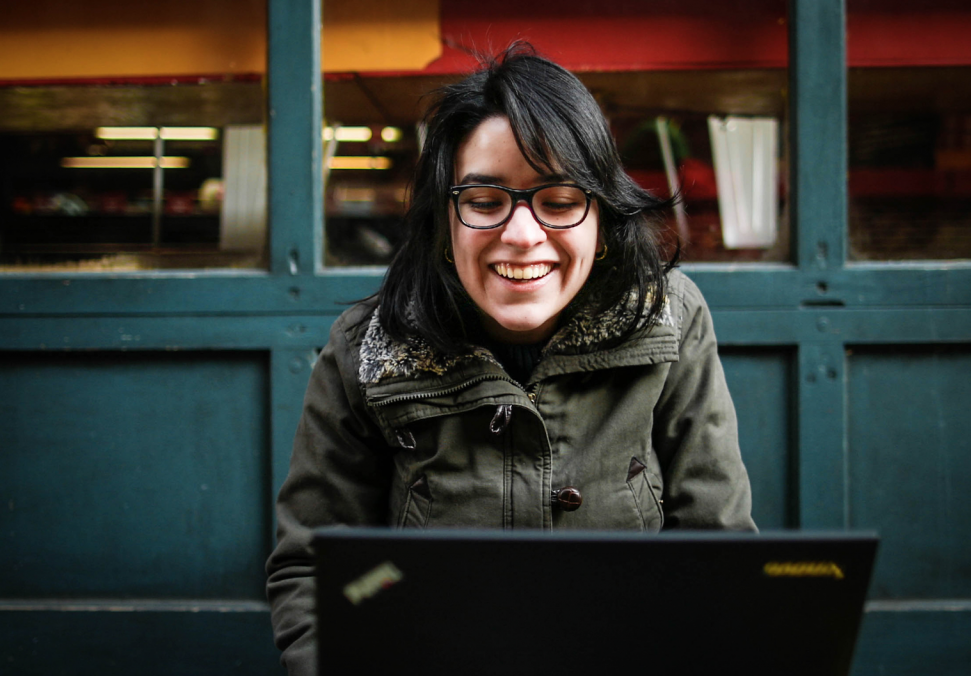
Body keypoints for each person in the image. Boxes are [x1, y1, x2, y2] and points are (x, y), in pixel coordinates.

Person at [266, 43, 755, 675]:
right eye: (485, 200)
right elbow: (311, 567)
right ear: (446, 216)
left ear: (601, 215)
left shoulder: (670, 317)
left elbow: (718, 557)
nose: (522, 235)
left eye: (558, 201)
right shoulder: (367, 347)